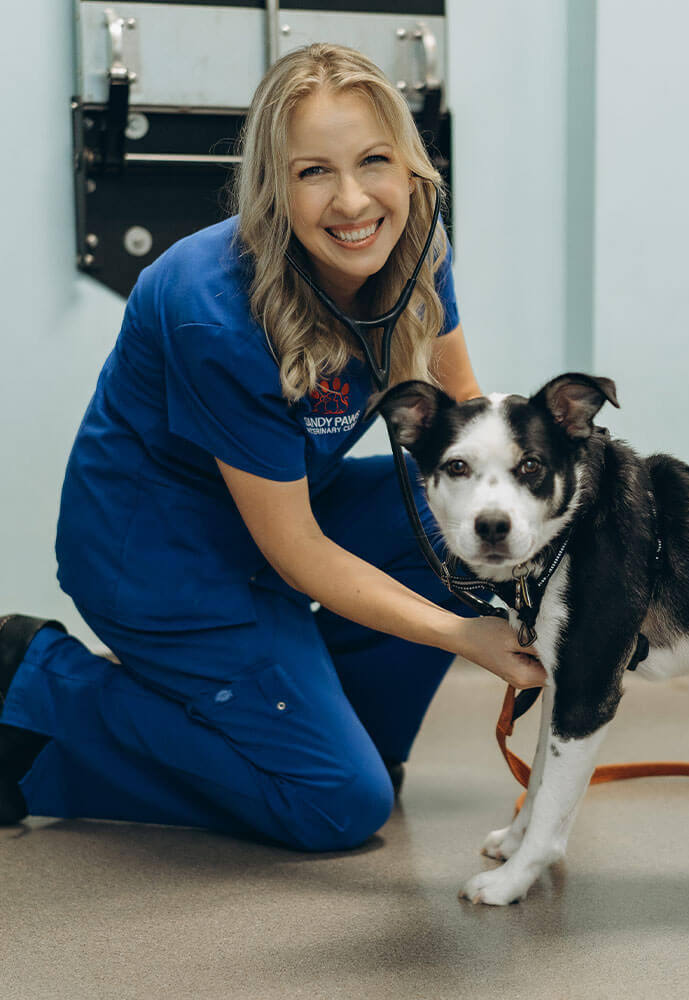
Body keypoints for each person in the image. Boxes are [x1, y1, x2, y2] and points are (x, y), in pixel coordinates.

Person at [0, 44, 545, 851]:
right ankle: (36, 690)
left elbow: (465, 438)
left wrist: (561, 565)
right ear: (272, 188)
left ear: (410, 167)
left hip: (287, 508)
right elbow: (295, 553)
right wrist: (462, 634)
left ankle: (327, 739)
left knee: (462, 525)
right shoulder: (210, 307)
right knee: (336, 808)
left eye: (373, 161)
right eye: (313, 171)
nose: (353, 200)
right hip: (160, 558)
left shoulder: (420, 244)